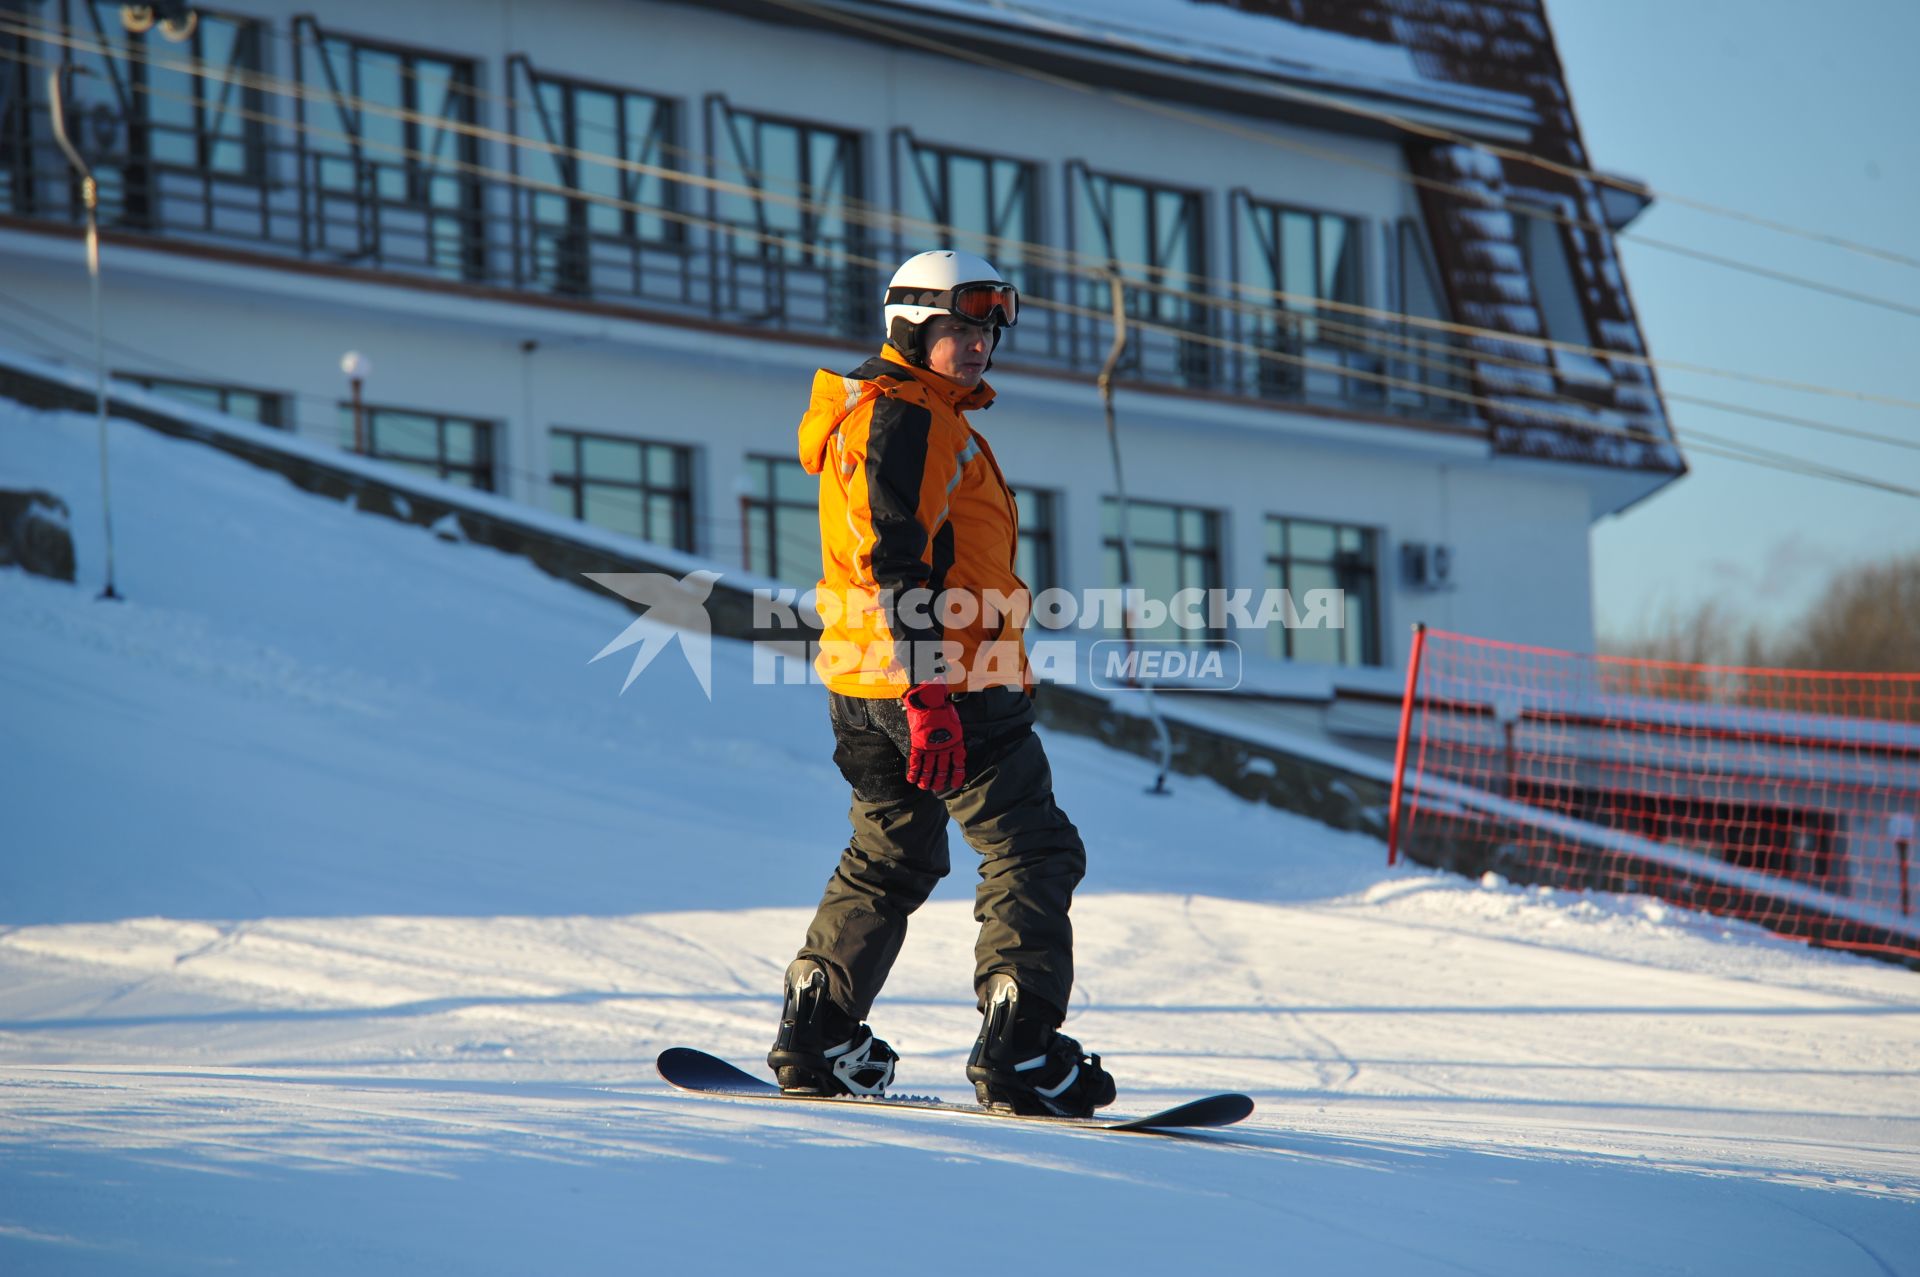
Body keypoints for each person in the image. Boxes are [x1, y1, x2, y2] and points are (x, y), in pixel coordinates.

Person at [766, 249, 1115, 1118]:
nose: (979, 345)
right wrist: (928, 697)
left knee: (893, 854)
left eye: (989, 329)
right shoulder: (909, 418)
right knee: (1032, 850)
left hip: (864, 683)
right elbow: (896, 559)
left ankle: (819, 1033)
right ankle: (1021, 1051)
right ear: (911, 328)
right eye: (960, 328)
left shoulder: (880, 415)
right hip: (949, 684)